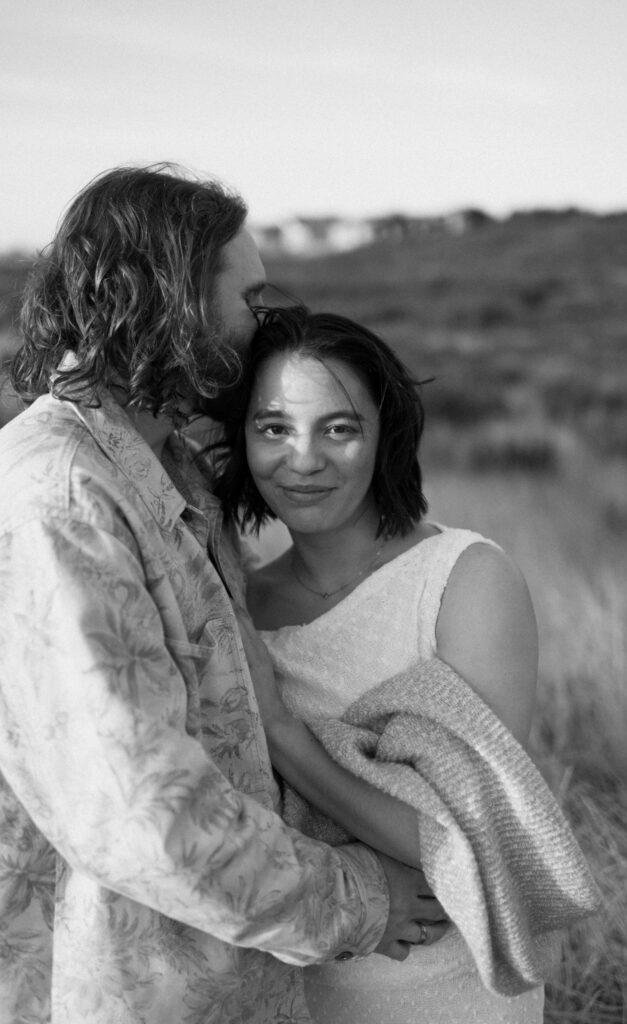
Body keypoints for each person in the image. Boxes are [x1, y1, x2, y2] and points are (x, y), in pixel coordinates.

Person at [0, 166, 453, 1024]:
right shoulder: (64, 496)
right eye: (244, 297)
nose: (261, 324)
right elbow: (146, 813)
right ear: (167, 299)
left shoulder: (159, 468)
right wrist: (357, 898)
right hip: (131, 989)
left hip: (221, 977)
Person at [215, 306, 601, 1024]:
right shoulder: (236, 602)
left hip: (446, 990)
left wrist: (282, 731)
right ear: (241, 438)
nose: (302, 459)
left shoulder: (461, 578)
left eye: (339, 427)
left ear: (383, 435)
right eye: (273, 428)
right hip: (286, 990)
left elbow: (468, 833)